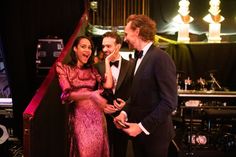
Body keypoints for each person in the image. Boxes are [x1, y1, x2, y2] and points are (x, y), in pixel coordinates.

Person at [114, 14, 178, 157]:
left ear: (137, 31)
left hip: (155, 136)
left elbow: (170, 102)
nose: (125, 38)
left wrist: (141, 127)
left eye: (126, 34)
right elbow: (135, 96)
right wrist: (123, 113)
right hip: (139, 134)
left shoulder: (161, 58)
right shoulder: (137, 57)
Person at [56, 36, 114, 157]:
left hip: (97, 118)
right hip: (79, 118)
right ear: (75, 49)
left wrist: (107, 61)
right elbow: (66, 96)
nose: (87, 50)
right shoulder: (64, 69)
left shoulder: (93, 70)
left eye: (90, 48)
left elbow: (108, 85)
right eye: (83, 47)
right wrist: (91, 95)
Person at [94, 31, 134, 157]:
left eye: (109, 46)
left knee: (121, 153)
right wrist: (102, 106)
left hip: (122, 119)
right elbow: (92, 92)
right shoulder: (97, 67)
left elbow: (136, 92)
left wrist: (126, 106)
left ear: (118, 46)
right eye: (103, 46)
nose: (105, 49)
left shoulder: (131, 66)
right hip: (102, 120)